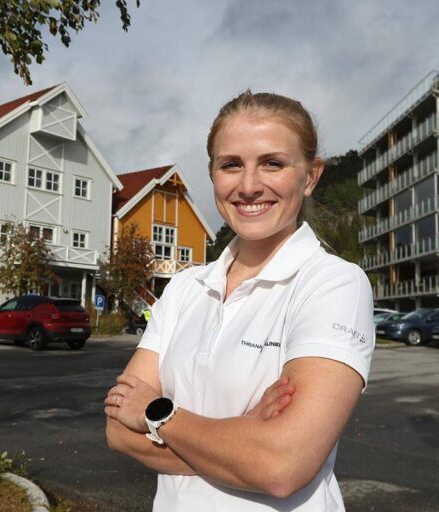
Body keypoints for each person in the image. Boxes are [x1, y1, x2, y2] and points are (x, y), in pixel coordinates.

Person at [104, 90, 374, 511]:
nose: (249, 186)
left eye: (273, 163)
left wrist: (158, 414)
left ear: (310, 176)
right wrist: (243, 437)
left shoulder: (334, 283)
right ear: (213, 173)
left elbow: (281, 466)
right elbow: (119, 431)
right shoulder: (184, 287)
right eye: (231, 164)